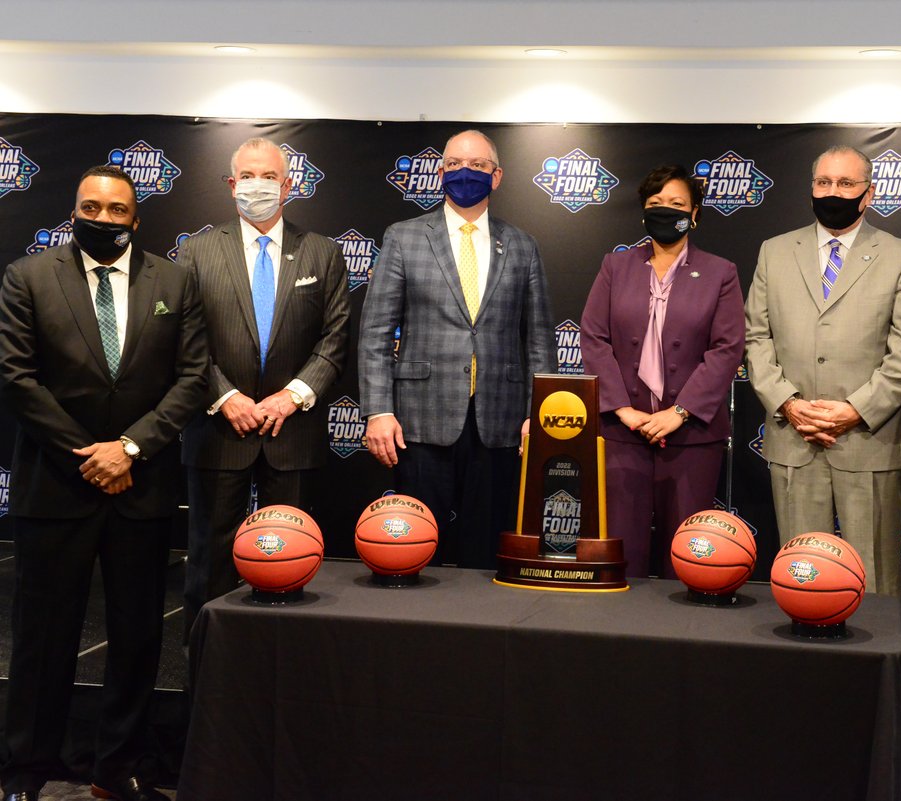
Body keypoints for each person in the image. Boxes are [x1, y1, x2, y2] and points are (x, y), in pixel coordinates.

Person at [0, 165, 207, 801]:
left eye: (117, 210)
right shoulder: (28, 278)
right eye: (91, 207)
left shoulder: (174, 281)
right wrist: (90, 458)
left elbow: (193, 378)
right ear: (74, 213)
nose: (103, 219)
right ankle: (25, 772)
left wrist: (130, 449)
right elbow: (16, 378)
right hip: (55, 487)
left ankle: (118, 770)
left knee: (138, 637)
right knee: (42, 640)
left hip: (141, 487)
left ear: (136, 219)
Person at [177, 138, 350, 642]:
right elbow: (186, 339)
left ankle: (283, 661)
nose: (259, 186)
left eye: (269, 177)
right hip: (217, 429)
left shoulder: (322, 251)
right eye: (248, 176)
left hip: (291, 432)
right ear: (232, 185)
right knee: (209, 558)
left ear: (288, 186)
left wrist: (291, 396)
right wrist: (225, 397)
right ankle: (205, 662)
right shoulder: (196, 252)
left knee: (289, 560)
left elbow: (335, 338)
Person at [359, 129, 554, 569]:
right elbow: (375, 332)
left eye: (478, 165)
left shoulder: (522, 245)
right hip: (419, 421)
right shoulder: (404, 237)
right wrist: (378, 410)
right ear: (440, 172)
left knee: (486, 553)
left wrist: (537, 414)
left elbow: (540, 338)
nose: (465, 172)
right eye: (454, 164)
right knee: (414, 547)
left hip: (500, 423)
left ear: (497, 176)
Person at [744, 145, 901, 595]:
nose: (834, 192)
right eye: (824, 182)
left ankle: (877, 644)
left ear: (869, 193)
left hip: (869, 440)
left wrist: (855, 410)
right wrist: (789, 405)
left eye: (846, 183)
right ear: (811, 187)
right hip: (795, 437)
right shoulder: (774, 251)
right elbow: (756, 338)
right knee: (800, 575)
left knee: (874, 578)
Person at [580, 165, 745, 577]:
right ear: (643, 212)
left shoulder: (720, 272)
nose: (665, 211)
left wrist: (680, 412)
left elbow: (727, 348)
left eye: (677, 204)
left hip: (692, 437)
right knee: (621, 554)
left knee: (687, 553)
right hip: (622, 434)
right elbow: (594, 338)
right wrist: (622, 409)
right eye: (656, 203)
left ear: (694, 214)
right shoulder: (615, 266)